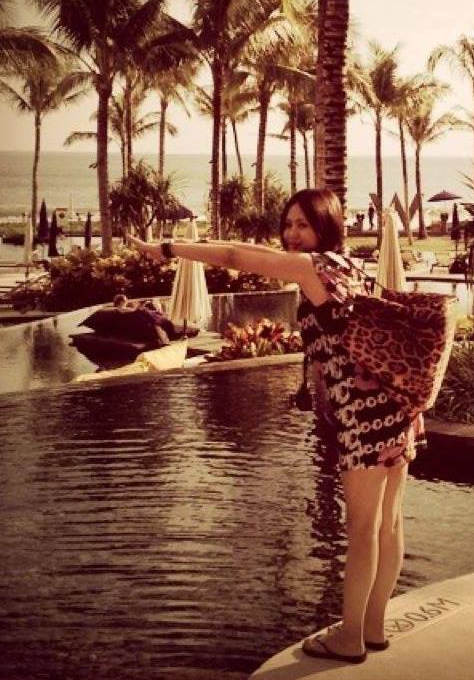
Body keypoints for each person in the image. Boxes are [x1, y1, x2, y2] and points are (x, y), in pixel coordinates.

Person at [129, 188, 421, 664]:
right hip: (398, 406)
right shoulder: (351, 266)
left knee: (364, 528)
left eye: (304, 224)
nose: (292, 233)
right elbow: (248, 250)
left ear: (326, 225)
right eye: (288, 224)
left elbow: (232, 256)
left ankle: (350, 639)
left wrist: (165, 249)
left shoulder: (311, 268)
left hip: (363, 415)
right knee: (388, 522)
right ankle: (372, 628)